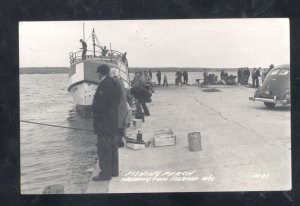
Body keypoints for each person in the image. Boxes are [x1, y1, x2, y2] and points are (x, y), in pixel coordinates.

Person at [92, 64, 122, 181]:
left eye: (98, 73)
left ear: (100, 73)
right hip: (113, 118)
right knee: (113, 145)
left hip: (103, 121)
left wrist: (95, 112)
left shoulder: (104, 85)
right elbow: (117, 99)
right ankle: (114, 171)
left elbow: (100, 104)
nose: (98, 75)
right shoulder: (115, 83)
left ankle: (105, 173)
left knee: (104, 147)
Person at [109, 68, 131, 148]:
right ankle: (120, 139)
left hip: (118, 105)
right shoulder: (121, 81)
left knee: (117, 123)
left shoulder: (115, 81)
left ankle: (119, 141)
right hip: (123, 104)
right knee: (121, 122)